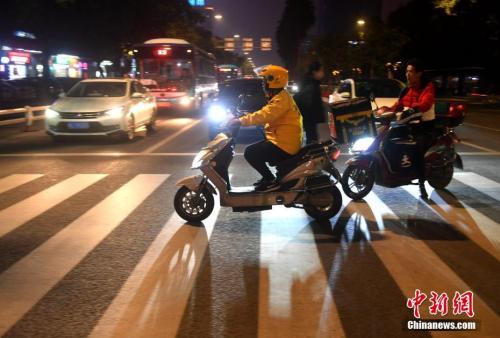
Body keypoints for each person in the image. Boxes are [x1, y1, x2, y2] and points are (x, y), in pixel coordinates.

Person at [228, 65, 303, 191]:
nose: (263, 84)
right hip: (283, 140)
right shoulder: (280, 96)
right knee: (257, 147)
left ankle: (270, 180)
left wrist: (240, 121)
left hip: (284, 144)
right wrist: (244, 115)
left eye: (264, 80)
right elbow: (265, 112)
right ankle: (268, 178)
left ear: (274, 80)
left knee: (250, 153)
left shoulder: (280, 100)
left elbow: (265, 115)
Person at [377, 59, 436, 199]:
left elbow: (426, 103)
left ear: (419, 74)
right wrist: (384, 110)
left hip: (424, 127)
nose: (408, 74)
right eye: (407, 71)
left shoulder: (427, 87)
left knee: (417, 150)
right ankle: (395, 169)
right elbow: (398, 105)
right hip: (408, 124)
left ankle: (421, 184)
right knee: (387, 139)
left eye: (411, 71)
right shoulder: (407, 89)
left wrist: (414, 109)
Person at [295, 61, 325, 143]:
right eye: (321, 70)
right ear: (315, 72)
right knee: (313, 141)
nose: (323, 73)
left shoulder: (308, 82)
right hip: (310, 120)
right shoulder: (312, 84)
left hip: (308, 120)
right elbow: (311, 104)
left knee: (311, 140)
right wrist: (320, 118)